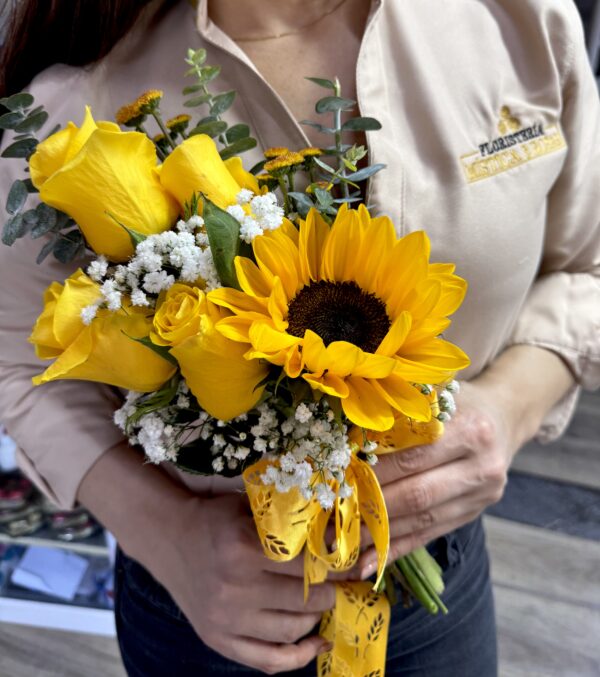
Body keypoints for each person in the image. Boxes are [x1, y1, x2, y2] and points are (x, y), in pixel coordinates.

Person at [0, 0, 598, 674]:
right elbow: (15, 358)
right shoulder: (77, 99)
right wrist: (168, 537)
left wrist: (505, 413)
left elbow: (586, 267)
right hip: (204, 606)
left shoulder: (519, 20)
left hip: (433, 572)